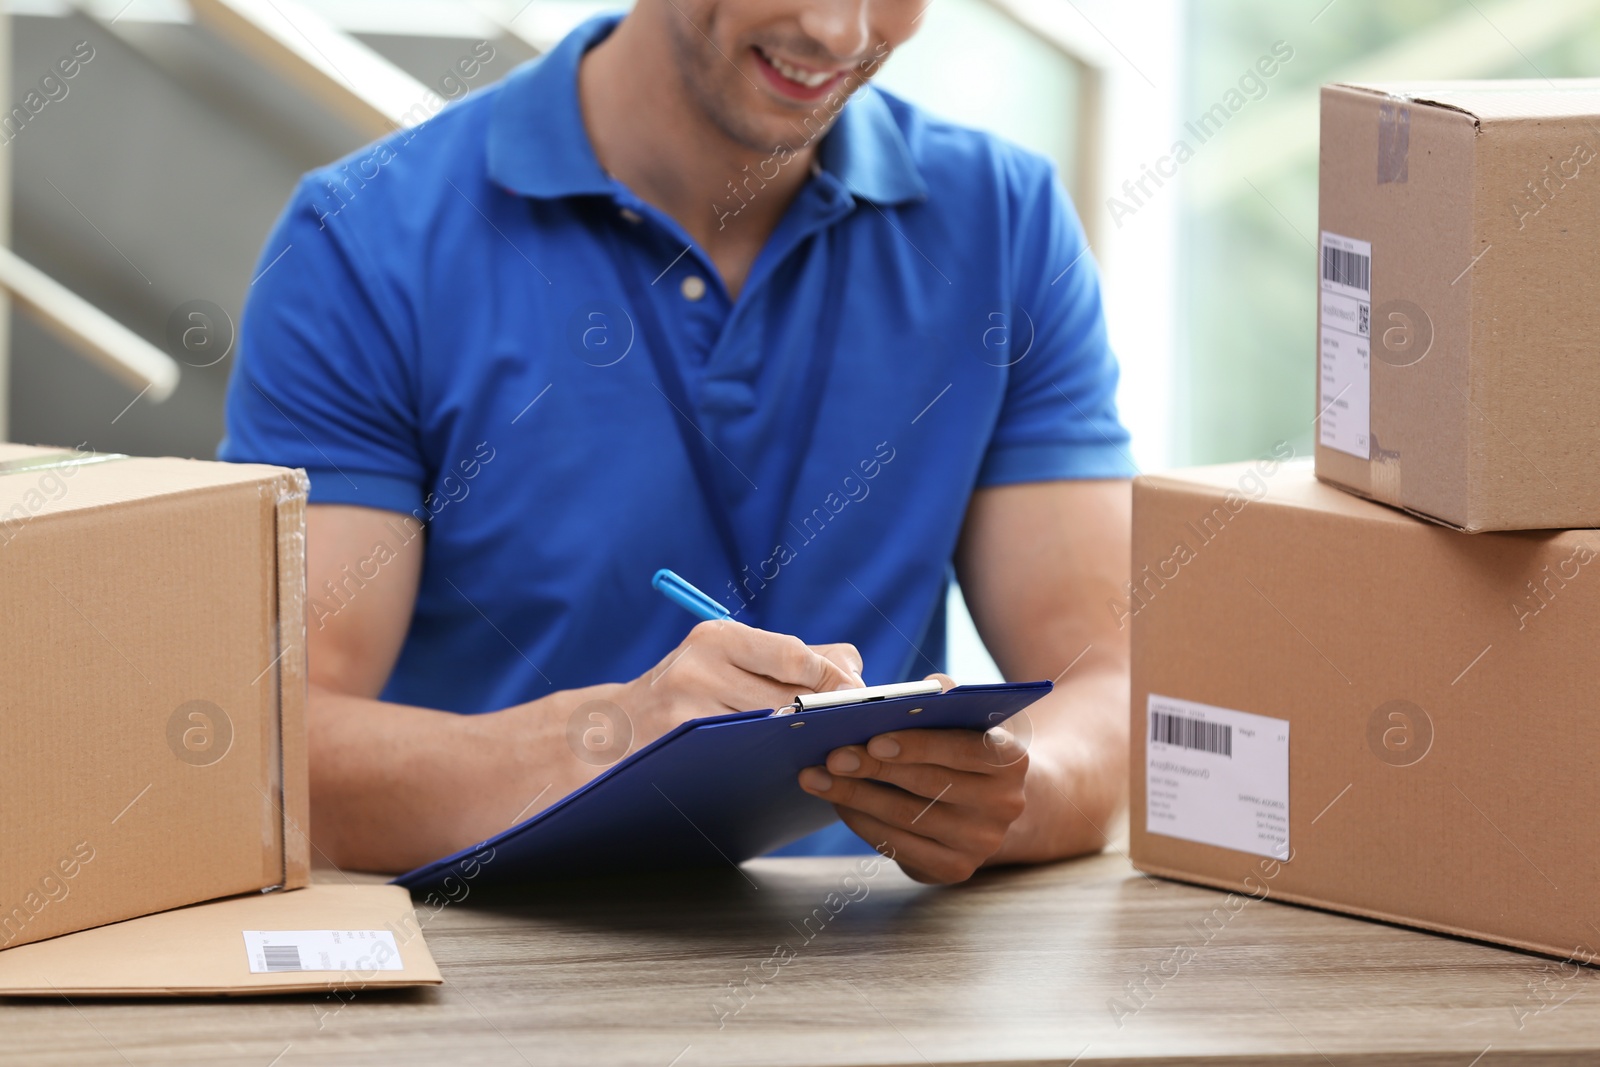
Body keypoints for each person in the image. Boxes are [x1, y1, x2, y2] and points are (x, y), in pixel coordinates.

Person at [220, 0, 1133, 885]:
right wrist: (612, 738)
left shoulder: (1007, 224)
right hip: (502, 983)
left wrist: (1017, 791)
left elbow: (1113, 685)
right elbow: (280, 744)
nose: (842, 31)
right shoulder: (364, 241)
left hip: (864, 975)